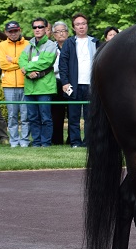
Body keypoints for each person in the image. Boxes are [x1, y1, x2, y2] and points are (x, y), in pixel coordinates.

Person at [59, 13, 100, 148]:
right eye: (78, 24)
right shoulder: (69, 43)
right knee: (73, 116)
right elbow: (63, 64)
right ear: (73, 27)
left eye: (83, 23)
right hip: (73, 85)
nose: (81, 26)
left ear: (87, 25)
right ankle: (75, 142)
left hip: (91, 85)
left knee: (90, 117)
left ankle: (89, 142)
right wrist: (65, 82)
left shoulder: (95, 42)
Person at [19, 18, 57, 147]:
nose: (37, 29)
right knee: (32, 117)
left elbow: (46, 62)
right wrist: (29, 71)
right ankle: (36, 142)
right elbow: (21, 60)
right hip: (30, 87)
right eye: (35, 27)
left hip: (45, 87)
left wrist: (27, 68)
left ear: (46, 29)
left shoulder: (51, 45)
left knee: (46, 118)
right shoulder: (28, 46)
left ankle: (45, 143)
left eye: (40, 27)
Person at [0, 20, 30, 147]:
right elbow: (3, 64)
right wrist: (20, 64)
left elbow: (28, 62)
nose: (13, 34)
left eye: (15, 31)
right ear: (6, 33)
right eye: (10, 31)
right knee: (12, 115)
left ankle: (25, 141)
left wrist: (14, 61)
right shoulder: (2, 45)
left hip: (26, 84)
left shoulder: (28, 44)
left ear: (20, 30)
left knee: (25, 115)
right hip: (9, 85)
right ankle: (14, 141)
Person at [51, 21, 70, 145]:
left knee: (72, 112)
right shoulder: (51, 47)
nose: (61, 33)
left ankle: (72, 139)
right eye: (57, 31)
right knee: (56, 113)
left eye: (63, 30)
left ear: (67, 33)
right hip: (56, 82)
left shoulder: (73, 45)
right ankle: (57, 140)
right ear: (53, 35)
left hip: (70, 82)